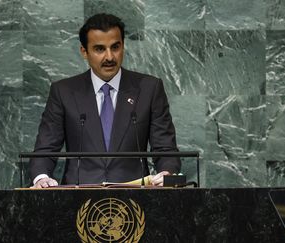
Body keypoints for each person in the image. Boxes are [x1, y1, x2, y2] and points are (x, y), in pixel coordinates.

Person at [29, 13, 180, 188]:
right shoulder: (64, 91)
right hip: (77, 197)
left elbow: (165, 148)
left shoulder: (149, 88)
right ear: (84, 51)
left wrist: (167, 174)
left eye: (115, 47)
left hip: (136, 196)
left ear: (123, 46)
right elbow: (45, 149)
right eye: (100, 49)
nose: (109, 57)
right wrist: (41, 177)